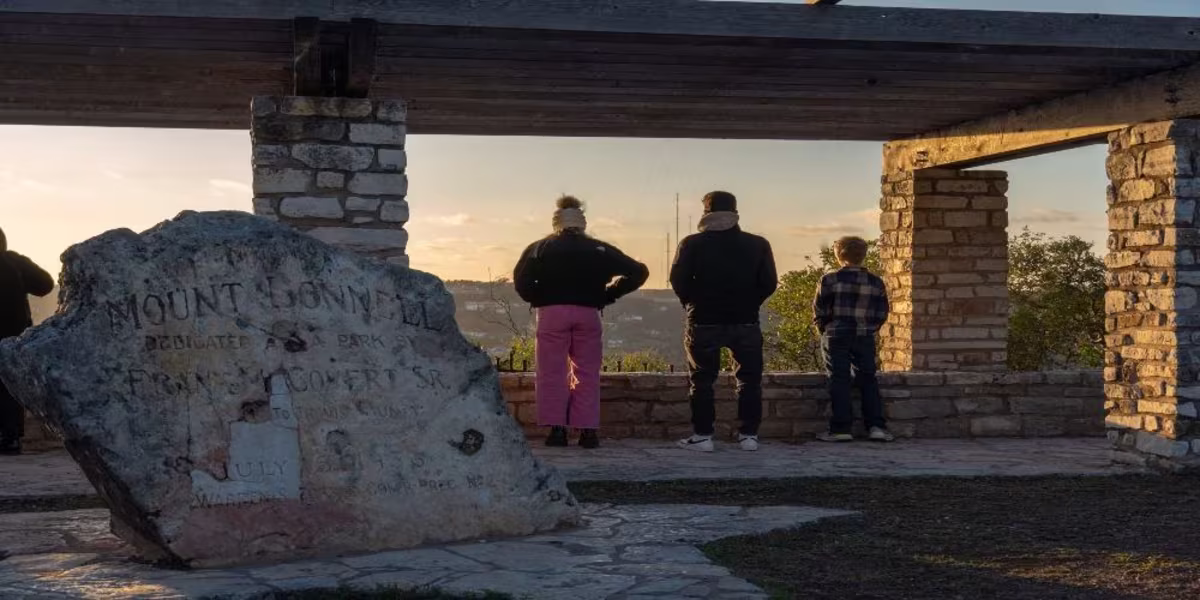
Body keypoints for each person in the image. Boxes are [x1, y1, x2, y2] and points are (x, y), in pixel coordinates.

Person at [513, 196, 649, 449]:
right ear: (582, 222)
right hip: (588, 313)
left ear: (557, 221)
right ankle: (588, 431)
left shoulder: (539, 248)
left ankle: (557, 430)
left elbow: (521, 282)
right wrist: (608, 295)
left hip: (552, 314)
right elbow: (639, 272)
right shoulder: (599, 249)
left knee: (551, 372)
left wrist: (540, 297)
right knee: (587, 372)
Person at [671, 191, 777, 452]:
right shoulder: (758, 244)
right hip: (746, 320)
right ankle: (749, 435)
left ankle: (703, 436)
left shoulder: (691, 244)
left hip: (703, 319)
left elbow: (678, 280)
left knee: (702, 381)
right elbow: (769, 283)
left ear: (705, 212)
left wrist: (691, 303)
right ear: (735, 212)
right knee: (749, 380)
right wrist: (751, 302)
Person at [812, 236, 894, 443]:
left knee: (839, 379)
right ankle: (876, 427)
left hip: (836, 335)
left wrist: (825, 329)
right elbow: (882, 313)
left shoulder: (829, 280)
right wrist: (870, 329)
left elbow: (820, 310)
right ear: (863, 255)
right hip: (863, 335)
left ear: (839, 255)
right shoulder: (875, 282)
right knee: (868, 379)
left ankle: (841, 429)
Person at [0, 227, 55, 455]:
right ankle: (10, 436)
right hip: (14, 334)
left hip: (12, 335)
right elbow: (45, 285)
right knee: (8, 386)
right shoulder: (14, 262)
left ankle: (9, 436)